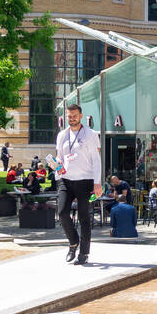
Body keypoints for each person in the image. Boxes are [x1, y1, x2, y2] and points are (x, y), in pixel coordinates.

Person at [55, 104, 104, 266]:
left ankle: (84, 253)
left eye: (75, 115)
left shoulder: (90, 134)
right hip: (66, 180)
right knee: (62, 213)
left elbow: (97, 161)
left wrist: (97, 183)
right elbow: (59, 157)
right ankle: (73, 241)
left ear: (81, 116)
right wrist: (56, 165)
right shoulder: (62, 135)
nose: (72, 118)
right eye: (69, 116)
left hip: (86, 181)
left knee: (84, 217)